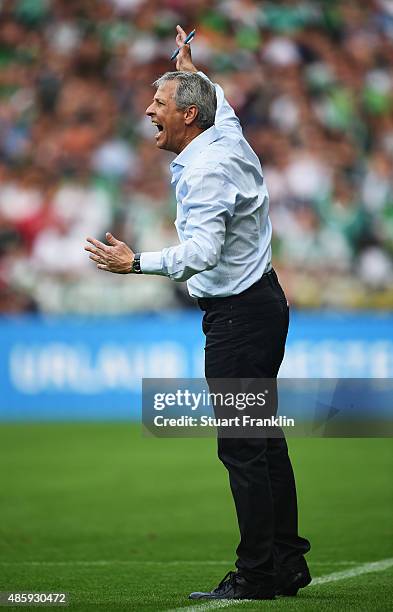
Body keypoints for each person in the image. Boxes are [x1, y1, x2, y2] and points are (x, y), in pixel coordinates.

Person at [84, 25, 311, 601]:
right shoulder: (223, 133)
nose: (147, 110)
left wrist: (137, 263)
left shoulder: (208, 168)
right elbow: (222, 101)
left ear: (188, 115)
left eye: (159, 103)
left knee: (242, 447)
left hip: (238, 319)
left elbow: (202, 254)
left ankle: (258, 573)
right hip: (260, 305)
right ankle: (285, 563)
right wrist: (190, 68)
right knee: (264, 441)